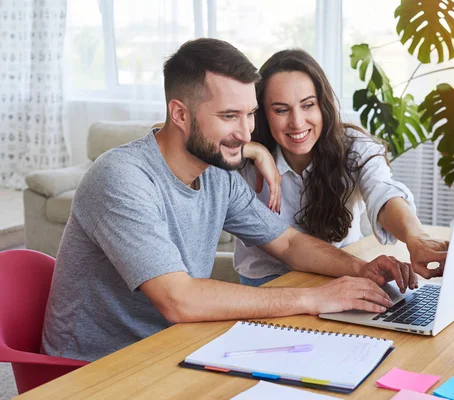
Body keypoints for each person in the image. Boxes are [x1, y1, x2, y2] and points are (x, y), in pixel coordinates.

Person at [41, 38, 417, 363]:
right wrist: (314, 297)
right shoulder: (121, 178)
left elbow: (287, 242)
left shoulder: (217, 173)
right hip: (100, 368)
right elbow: (179, 299)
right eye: (229, 116)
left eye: (250, 114)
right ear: (179, 114)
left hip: (176, 346)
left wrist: (360, 270)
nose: (246, 132)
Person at [234, 49, 449, 287]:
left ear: (322, 105)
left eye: (307, 105)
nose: (297, 122)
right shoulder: (244, 160)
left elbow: (384, 194)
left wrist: (416, 238)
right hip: (269, 284)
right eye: (281, 110)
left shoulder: (353, 147)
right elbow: (197, 147)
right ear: (262, 114)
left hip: (344, 274)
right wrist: (252, 150)